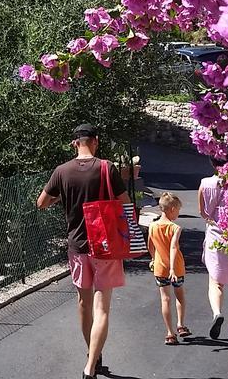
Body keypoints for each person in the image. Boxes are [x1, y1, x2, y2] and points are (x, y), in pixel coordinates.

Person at [37, 123, 128, 379]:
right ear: (95, 141)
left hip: (77, 247)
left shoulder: (61, 171)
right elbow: (125, 204)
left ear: (74, 144)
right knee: (102, 309)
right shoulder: (106, 168)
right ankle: (90, 368)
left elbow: (41, 203)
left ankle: (93, 355)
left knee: (83, 304)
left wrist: (61, 197)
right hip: (105, 247)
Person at [199, 155, 228, 339]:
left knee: (215, 280)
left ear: (212, 162)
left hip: (214, 236)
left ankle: (217, 313)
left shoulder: (204, 184)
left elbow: (202, 212)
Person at [149, 191, 188, 345]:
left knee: (165, 299)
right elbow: (173, 248)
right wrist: (172, 268)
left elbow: (150, 246)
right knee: (179, 295)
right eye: (178, 210)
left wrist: (153, 259)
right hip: (176, 267)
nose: (178, 213)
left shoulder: (152, 226)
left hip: (159, 267)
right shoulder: (175, 228)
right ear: (172, 209)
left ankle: (169, 333)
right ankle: (180, 324)